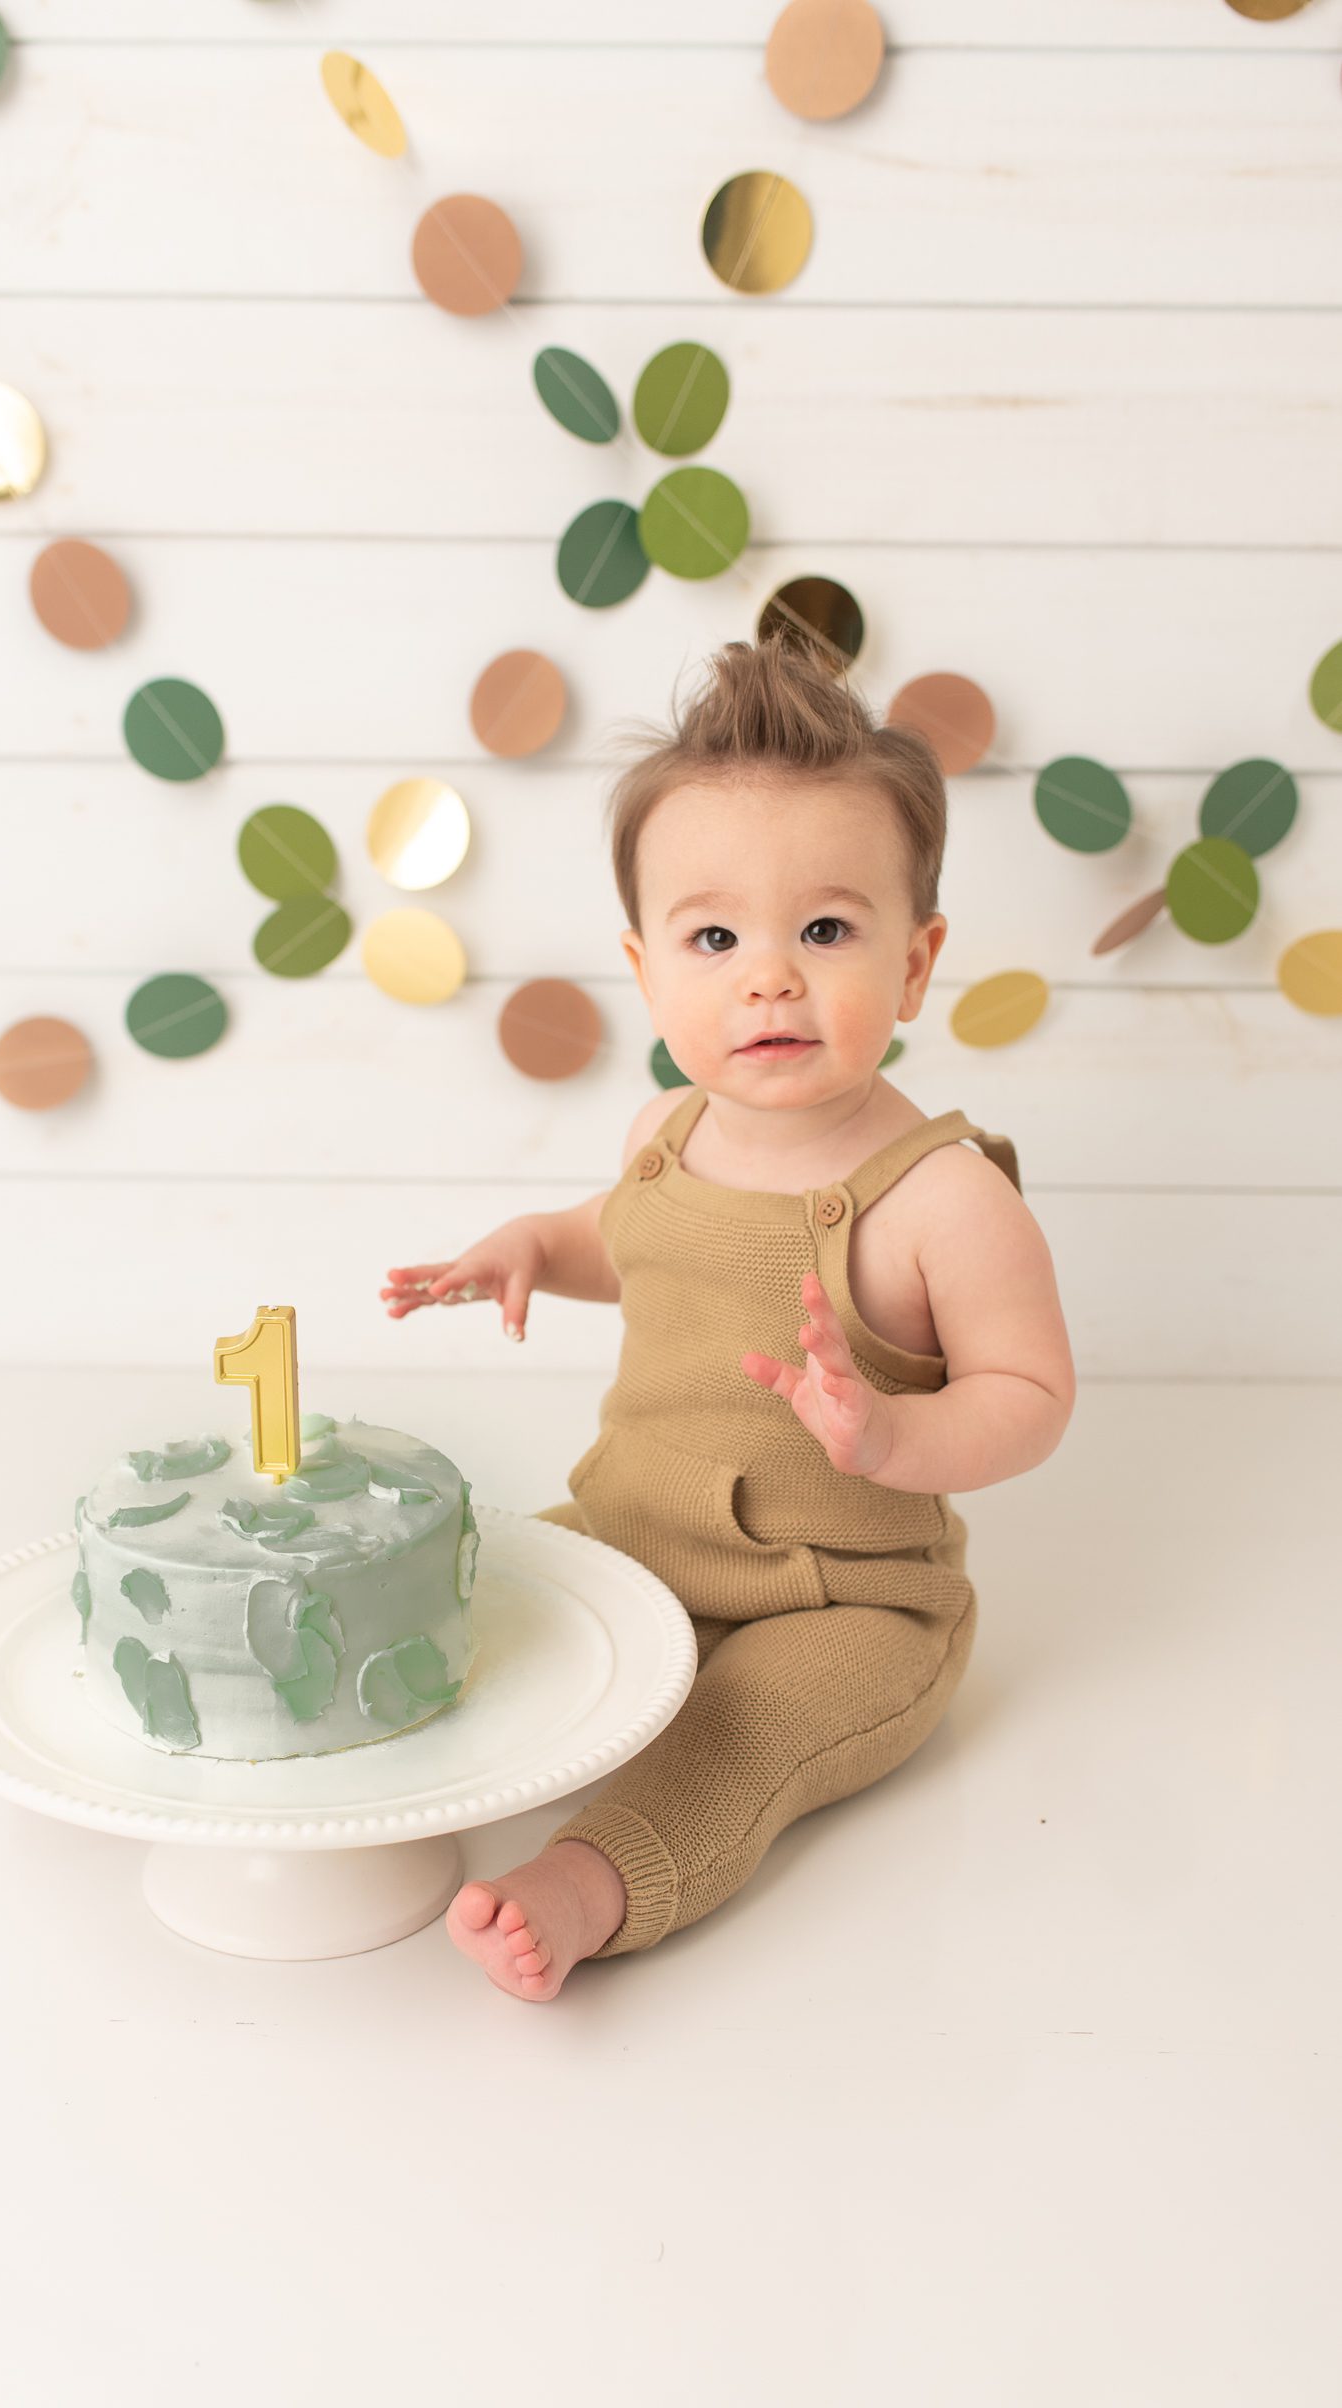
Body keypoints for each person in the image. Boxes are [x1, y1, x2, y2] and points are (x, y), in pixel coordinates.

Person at [381, 629, 1076, 2000]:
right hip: (643, 1539)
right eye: (715, 937)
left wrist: (889, 1437)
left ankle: (585, 1889)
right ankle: (368, 1772)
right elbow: (634, 1247)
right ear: (647, 972)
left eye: (823, 930)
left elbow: (1028, 1395)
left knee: (738, 1735)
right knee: (486, 1583)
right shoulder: (664, 1129)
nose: (767, 975)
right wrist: (534, 1245)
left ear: (918, 960)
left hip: (842, 1604)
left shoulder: (938, 1197)